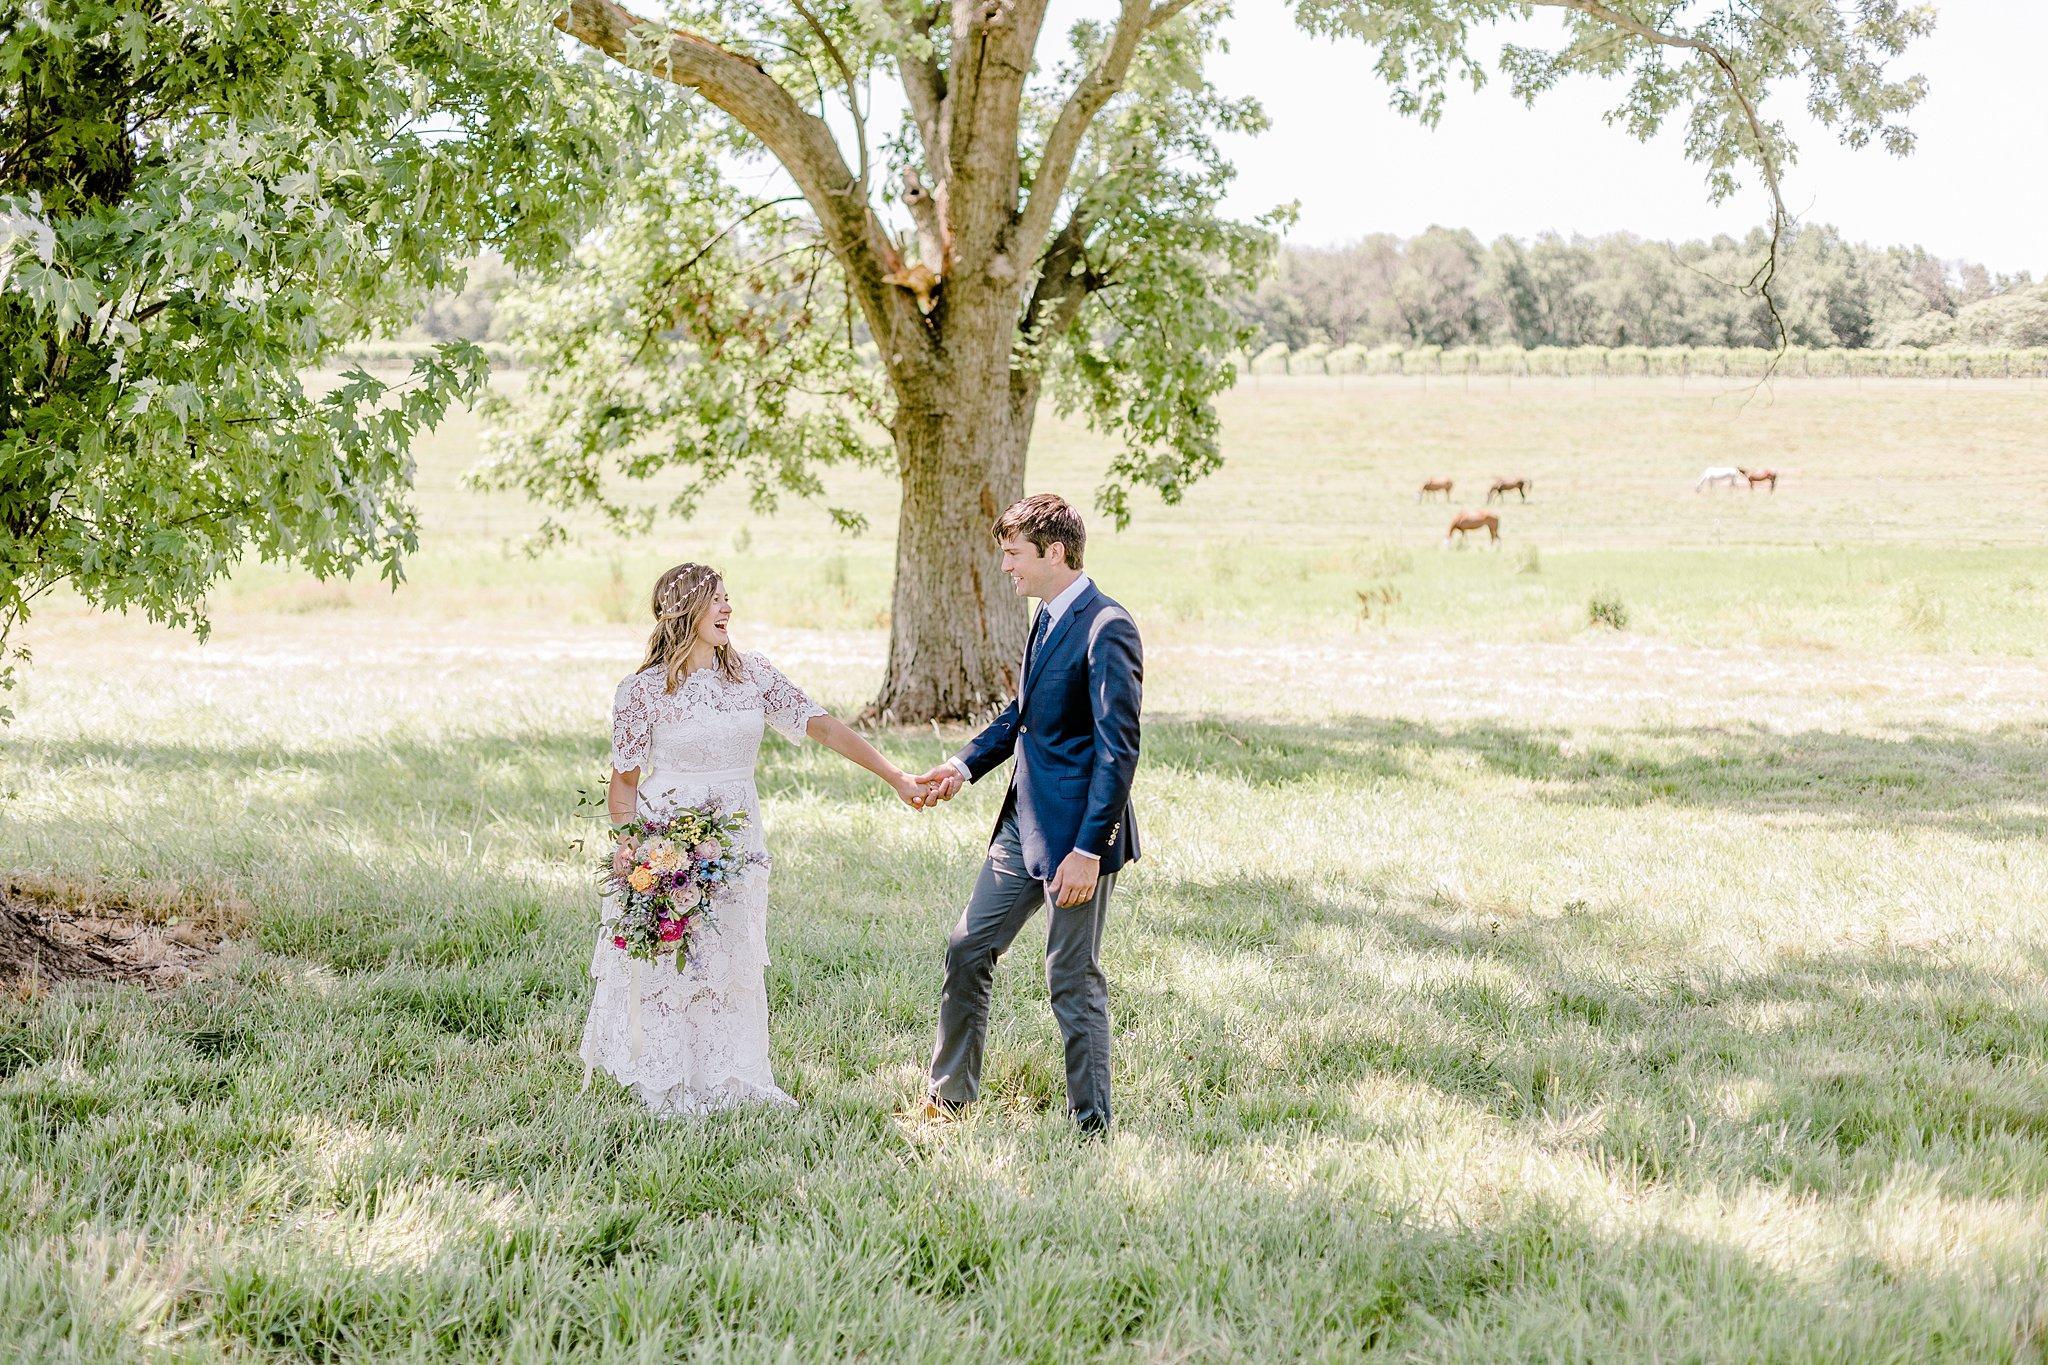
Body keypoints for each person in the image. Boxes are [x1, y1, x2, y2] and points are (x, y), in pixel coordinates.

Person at [582, 562, 928, 1117]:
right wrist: (633, 852)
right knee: (671, 954)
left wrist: (895, 776)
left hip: (738, 841)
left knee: (730, 953)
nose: (728, 608)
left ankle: (732, 1074)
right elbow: (623, 784)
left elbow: (822, 725)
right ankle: (668, 1077)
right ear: (685, 610)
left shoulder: (753, 675)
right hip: (667, 836)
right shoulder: (641, 691)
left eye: (728, 598)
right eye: (716, 599)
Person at [915, 494, 1143, 1135]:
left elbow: (1118, 751)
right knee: (968, 948)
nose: (1007, 566)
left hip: (1079, 837)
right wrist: (962, 766)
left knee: (1070, 976)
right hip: (1023, 823)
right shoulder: (1045, 615)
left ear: (1055, 552)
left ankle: (1091, 1126)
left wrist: (1089, 851)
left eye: (1015, 554)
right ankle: (950, 1099)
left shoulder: (1107, 627)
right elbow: (1025, 713)